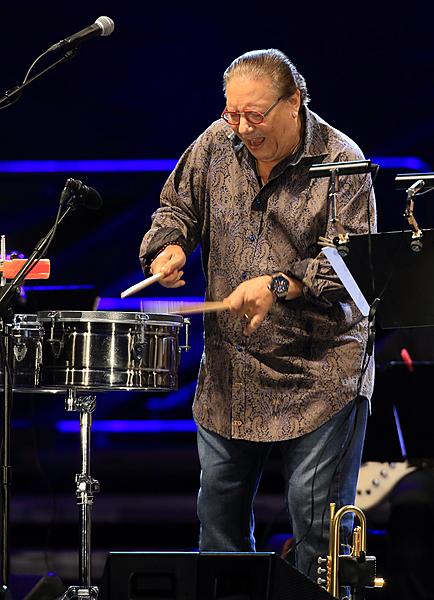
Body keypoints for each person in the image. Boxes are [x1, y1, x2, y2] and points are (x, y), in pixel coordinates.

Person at [139, 48, 376, 592]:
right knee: (218, 524)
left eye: (256, 115)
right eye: (232, 113)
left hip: (320, 374)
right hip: (233, 372)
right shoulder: (215, 143)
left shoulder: (342, 160)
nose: (241, 127)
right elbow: (175, 208)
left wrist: (276, 285)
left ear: (294, 102)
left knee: (316, 527)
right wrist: (168, 248)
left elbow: (349, 268)